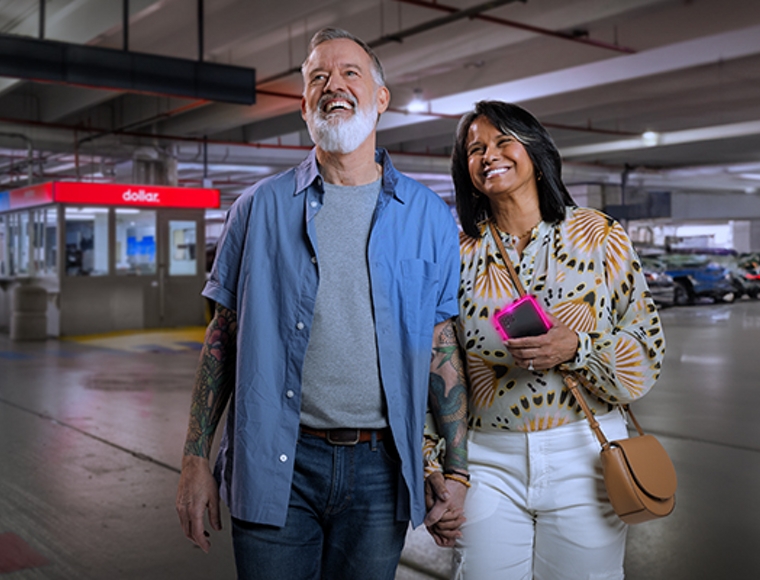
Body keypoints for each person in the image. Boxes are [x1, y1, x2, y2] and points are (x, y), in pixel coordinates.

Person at [174, 27, 465, 580]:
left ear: (381, 98)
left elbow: (440, 345)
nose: (333, 85)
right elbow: (222, 339)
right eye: (317, 77)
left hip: (381, 471)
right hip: (273, 463)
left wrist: (456, 468)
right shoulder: (257, 208)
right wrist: (194, 456)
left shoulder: (428, 216)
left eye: (350, 72)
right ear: (305, 103)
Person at [426, 100, 666, 579]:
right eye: (474, 149)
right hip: (488, 458)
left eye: (502, 141)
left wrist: (579, 348)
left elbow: (647, 348)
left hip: (586, 451)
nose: (488, 155)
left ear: (534, 149)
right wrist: (436, 464)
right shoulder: (456, 253)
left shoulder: (598, 235)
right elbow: (436, 364)